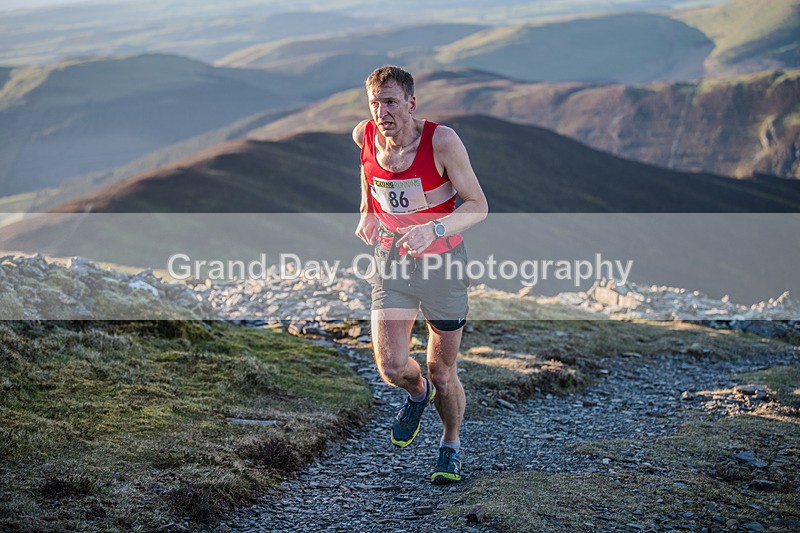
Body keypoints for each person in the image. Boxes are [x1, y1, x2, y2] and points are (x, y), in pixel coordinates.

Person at [353, 65, 488, 484]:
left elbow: (478, 205)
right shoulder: (365, 135)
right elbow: (368, 172)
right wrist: (367, 210)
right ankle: (417, 394)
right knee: (392, 367)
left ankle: (450, 446)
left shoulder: (442, 142)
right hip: (392, 261)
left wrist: (435, 228)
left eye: (391, 102)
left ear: (411, 103)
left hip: (442, 265)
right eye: (375, 103)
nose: (382, 113)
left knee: (442, 371)